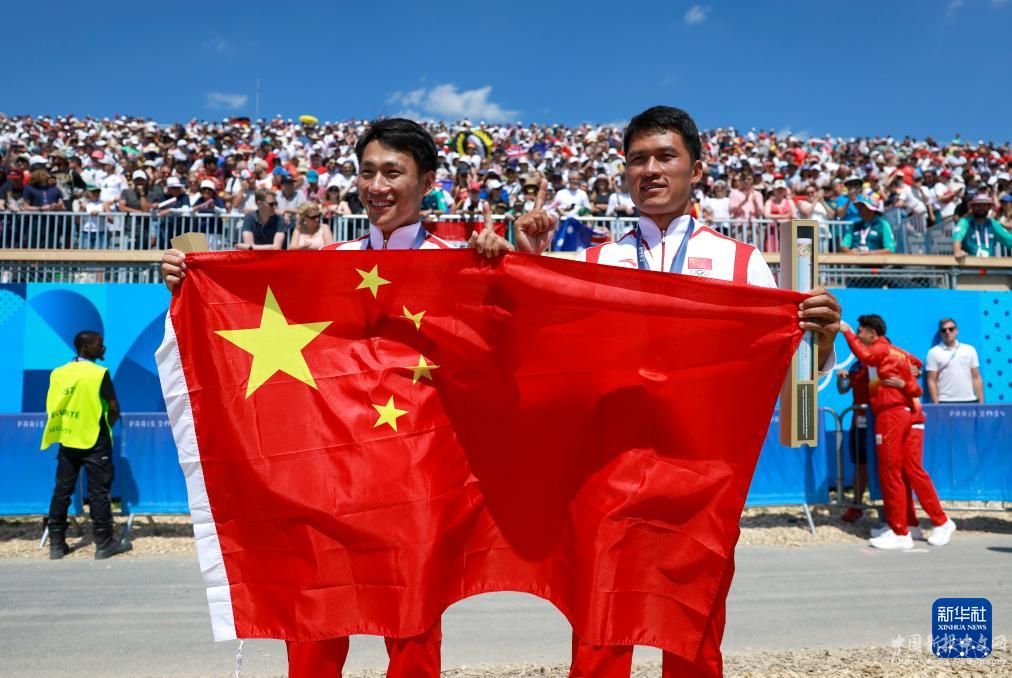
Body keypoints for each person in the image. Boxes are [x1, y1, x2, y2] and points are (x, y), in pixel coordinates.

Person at [476, 105, 841, 678]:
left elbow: (788, 372)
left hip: (701, 483)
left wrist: (820, 338)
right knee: (598, 644)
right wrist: (526, 261)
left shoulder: (742, 263)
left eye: (665, 156)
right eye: (637, 159)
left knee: (694, 643)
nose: (650, 170)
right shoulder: (595, 261)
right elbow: (534, 352)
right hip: (607, 481)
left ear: (696, 169)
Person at [162, 117, 451, 678]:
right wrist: (190, 280)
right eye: (367, 172)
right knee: (315, 633)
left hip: (414, 485)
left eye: (393, 172)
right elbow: (242, 317)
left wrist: (508, 262)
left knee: (413, 639)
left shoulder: (457, 264)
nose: (377, 186)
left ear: (427, 181)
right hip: (329, 482)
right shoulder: (323, 264)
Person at [840, 315, 953, 550]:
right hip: (898, 413)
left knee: (893, 472)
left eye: (861, 332)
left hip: (894, 414)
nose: (859, 336)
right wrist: (911, 374)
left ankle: (905, 530)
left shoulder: (880, 349)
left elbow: (868, 356)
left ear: (873, 334)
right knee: (902, 471)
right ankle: (908, 524)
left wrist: (847, 331)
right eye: (857, 332)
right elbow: (915, 366)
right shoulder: (894, 352)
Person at [41, 331, 132, 560]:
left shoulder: (58, 373)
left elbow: (53, 406)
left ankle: (56, 545)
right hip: (95, 440)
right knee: (99, 492)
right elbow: (114, 408)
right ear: (85, 348)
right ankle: (104, 544)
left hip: (68, 438)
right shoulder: (98, 373)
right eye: (99, 344)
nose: (103, 348)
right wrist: (106, 426)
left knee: (62, 491)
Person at [836, 361, 870, 522]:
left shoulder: (884, 360)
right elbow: (843, 389)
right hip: (859, 421)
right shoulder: (856, 366)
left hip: (881, 420)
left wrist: (916, 372)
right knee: (860, 464)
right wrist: (841, 379)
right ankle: (857, 506)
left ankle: (892, 510)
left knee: (887, 466)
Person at [925, 318, 983, 404]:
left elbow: (976, 377)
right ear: (940, 333)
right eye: (944, 330)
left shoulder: (970, 350)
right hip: (944, 401)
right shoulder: (933, 352)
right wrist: (936, 404)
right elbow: (931, 380)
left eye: (951, 329)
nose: (947, 332)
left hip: (969, 400)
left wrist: (981, 403)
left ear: (957, 331)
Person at [952, 192, 1012, 259]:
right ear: (973, 207)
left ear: (989, 207)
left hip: (990, 263)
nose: (981, 208)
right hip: (970, 263)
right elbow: (957, 237)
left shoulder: (992, 223)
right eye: (978, 205)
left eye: (984, 205)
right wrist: (957, 251)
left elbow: (1008, 239)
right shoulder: (965, 221)